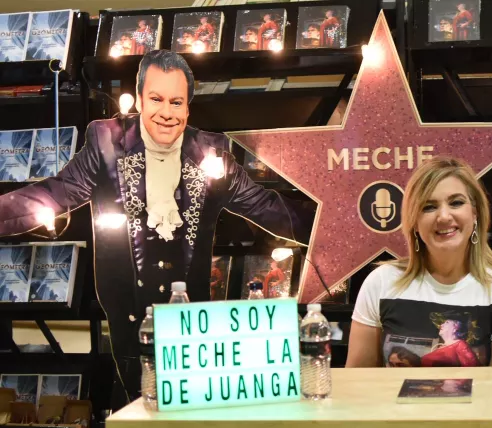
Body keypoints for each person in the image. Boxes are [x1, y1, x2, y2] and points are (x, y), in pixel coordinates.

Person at [0, 50, 310, 406]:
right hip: (128, 312)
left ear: (188, 108)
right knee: (140, 405)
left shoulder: (212, 153)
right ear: (140, 99)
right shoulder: (106, 143)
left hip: (191, 317)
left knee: (189, 410)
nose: (166, 112)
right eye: (156, 99)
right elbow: (53, 194)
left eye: (176, 102)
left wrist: (341, 225)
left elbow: (267, 207)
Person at [329, 157, 492, 428]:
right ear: (414, 222)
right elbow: (353, 391)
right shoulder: (381, 283)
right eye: (429, 206)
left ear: (475, 213)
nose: (444, 216)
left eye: (456, 202)